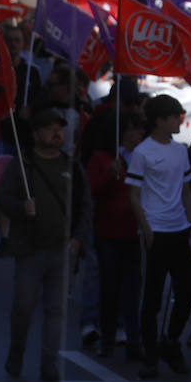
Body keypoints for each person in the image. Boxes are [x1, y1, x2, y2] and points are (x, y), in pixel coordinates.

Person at [0, 109, 89, 382]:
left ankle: (49, 364)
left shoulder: (72, 166)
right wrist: (20, 207)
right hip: (30, 250)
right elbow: (2, 199)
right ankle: (16, 354)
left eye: (59, 128)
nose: (57, 133)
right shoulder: (22, 166)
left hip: (63, 251)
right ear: (36, 134)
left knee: (56, 310)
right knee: (23, 307)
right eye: (49, 128)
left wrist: (79, 238)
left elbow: (85, 206)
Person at [127, 94, 191, 381]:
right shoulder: (143, 152)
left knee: (187, 292)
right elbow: (133, 194)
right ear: (160, 120)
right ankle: (150, 355)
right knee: (153, 297)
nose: (180, 121)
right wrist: (145, 228)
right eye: (175, 117)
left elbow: (186, 190)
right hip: (155, 230)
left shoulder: (181, 150)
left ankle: (170, 342)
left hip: (179, 229)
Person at [85, 113, 145, 360]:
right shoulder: (102, 158)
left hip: (133, 231)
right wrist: (110, 174)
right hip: (108, 232)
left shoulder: (141, 157)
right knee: (109, 288)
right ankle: (107, 339)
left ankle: (133, 339)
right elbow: (93, 190)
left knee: (132, 289)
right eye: (134, 129)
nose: (139, 134)